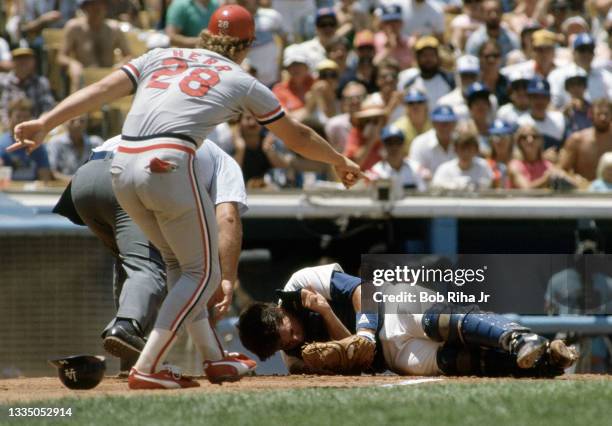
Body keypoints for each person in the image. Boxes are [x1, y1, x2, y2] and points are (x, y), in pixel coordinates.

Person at [9, 5, 363, 390]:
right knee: (203, 273)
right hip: (167, 162)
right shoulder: (239, 78)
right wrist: (338, 159)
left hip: (119, 165)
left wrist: (46, 123)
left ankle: (215, 360)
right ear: (245, 44)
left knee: (180, 265)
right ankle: (148, 365)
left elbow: (100, 91)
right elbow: (296, 136)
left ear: (207, 35)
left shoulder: (158, 55)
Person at [53, 135, 247, 370]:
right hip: (125, 177)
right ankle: (126, 326)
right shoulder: (224, 161)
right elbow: (227, 218)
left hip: (84, 179)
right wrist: (226, 277)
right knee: (150, 266)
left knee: (132, 263)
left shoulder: (167, 133)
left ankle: (134, 355)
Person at [237, 263, 577, 377]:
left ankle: (520, 339)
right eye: (282, 345)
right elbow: (354, 362)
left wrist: (366, 333)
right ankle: (542, 362)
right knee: (458, 362)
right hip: (391, 355)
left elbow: (365, 291)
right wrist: (327, 315)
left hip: (392, 307)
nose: (292, 342)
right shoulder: (296, 361)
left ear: (279, 311)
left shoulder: (300, 283)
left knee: (441, 323)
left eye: (286, 333)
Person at [58, 0, 132, 93]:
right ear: (84, 7)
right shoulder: (74, 28)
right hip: (84, 78)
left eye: (101, 3)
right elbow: (61, 57)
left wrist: (120, 66)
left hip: (108, 77)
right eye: (92, 4)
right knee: (76, 76)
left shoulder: (114, 29)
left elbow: (129, 56)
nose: (97, 7)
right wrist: (73, 64)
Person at [0, 48, 56, 128]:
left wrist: (39, 124)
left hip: (35, 127)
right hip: (6, 128)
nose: (23, 62)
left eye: (27, 58)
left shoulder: (41, 82)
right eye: (19, 58)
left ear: (34, 62)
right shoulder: (2, 81)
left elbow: (48, 108)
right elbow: (2, 109)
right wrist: (7, 127)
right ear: (12, 62)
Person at [0, 98, 52, 182]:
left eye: (26, 117)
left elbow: (45, 177)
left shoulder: (38, 145)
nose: (22, 121)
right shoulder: (2, 144)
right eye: (18, 117)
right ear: (10, 118)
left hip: (31, 193)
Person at [509, 124, 577, 189]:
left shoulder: (547, 164)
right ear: (519, 142)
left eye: (534, 136)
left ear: (540, 141)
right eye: (524, 137)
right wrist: (545, 179)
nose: (530, 140)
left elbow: (574, 184)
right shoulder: (514, 165)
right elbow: (525, 190)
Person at [398, 36, 455, 112]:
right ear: (417, 58)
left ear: (438, 57)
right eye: (424, 55)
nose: (428, 59)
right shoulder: (409, 83)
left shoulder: (450, 80)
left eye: (431, 55)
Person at [560, 99, 612, 182]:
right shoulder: (577, 140)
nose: (603, 118)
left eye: (606, 114)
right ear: (591, 115)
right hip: (585, 192)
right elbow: (562, 170)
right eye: (599, 114)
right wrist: (574, 179)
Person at [367, 125, 426, 197]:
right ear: (383, 146)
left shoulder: (416, 168)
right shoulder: (376, 172)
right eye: (389, 143)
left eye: (398, 142)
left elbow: (424, 193)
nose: (394, 147)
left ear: (403, 144)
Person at [409, 105, 458, 182]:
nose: (445, 127)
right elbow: (414, 168)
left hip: (458, 191)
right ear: (433, 124)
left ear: (454, 124)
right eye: (441, 123)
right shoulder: (420, 143)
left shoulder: (461, 142)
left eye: (448, 123)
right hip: (427, 191)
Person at [517, 77, 566, 152]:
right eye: (535, 97)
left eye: (543, 97)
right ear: (529, 98)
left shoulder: (559, 119)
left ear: (549, 99)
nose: (539, 101)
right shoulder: (520, 123)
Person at [272, 47, 314, 121]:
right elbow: (284, 118)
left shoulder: (317, 84)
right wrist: (309, 108)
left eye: (299, 64)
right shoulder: (279, 89)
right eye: (292, 65)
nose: (295, 68)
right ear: (287, 68)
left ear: (307, 66)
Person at [325, 82, 367, 153]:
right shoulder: (334, 125)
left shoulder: (376, 121)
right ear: (343, 103)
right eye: (350, 99)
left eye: (359, 97)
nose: (355, 102)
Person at [391, 88, 431, 155]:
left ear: (426, 105)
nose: (415, 106)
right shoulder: (397, 128)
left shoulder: (436, 124)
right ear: (405, 106)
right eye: (411, 103)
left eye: (419, 102)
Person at [373, 5, 414, 70]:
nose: (392, 26)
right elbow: (373, 66)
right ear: (382, 24)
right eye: (388, 22)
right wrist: (388, 50)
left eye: (395, 21)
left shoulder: (410, 41)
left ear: (401, 23)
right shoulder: (375, 40)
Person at [487, 119, 516, 189]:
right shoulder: (486, 165)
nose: (500, 140)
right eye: (496, 136)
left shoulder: (519, 163)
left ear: (511, 139)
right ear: (491, 141)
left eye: (504, 136)